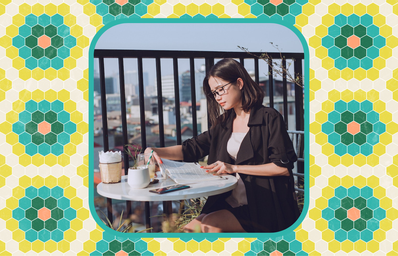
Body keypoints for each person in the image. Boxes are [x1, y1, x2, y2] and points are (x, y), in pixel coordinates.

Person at [145, 58, 300, 232]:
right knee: (187, 231)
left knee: (210, 225)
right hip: (228, 201)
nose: (218, 97)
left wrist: (234, 167)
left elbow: (282, 168)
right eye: (214, 93)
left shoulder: (269, 118)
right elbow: (191, 148)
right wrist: (153, 150)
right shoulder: (224, 123)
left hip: (263, 204)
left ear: (239, 83)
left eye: (221, 90)